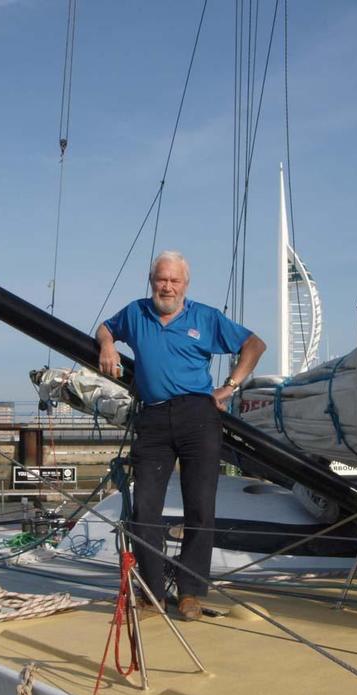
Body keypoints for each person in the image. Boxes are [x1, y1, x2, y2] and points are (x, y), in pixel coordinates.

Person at [97, 250, 266, 620]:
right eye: (161, 279)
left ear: (185, 284)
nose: (167, 286)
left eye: (174, 280)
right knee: (144, 509)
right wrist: (108, 345)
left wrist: (231, 386)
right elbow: (105, 328)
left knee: (200, 508)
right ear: (151, 280)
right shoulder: (136, 312)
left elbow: (254, 344)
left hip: (198, 416)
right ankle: (151, 594)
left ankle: (190, 592)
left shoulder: (204, 317)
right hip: (153, 418)